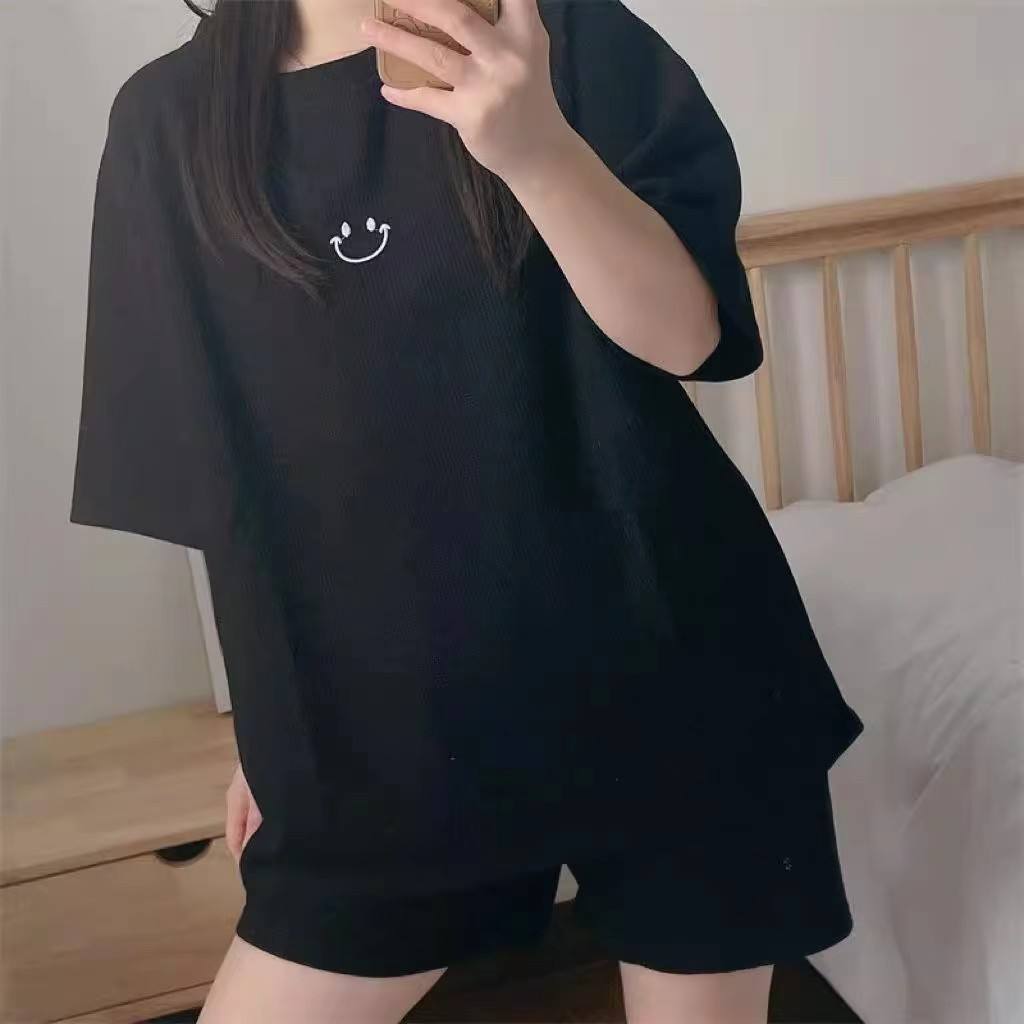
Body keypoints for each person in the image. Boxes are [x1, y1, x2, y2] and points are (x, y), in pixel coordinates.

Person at [69, 0, 865, 1020]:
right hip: (392, 741)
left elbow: (688, 337)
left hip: (678, 680)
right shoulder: (174, 121)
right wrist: (274, 739)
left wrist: (536, 151)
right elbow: (223, 484)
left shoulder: (554, 34)